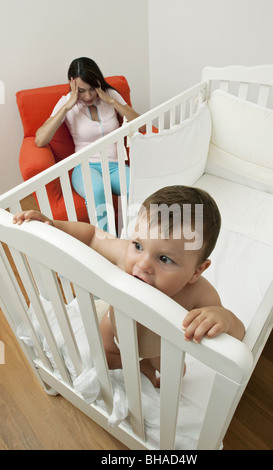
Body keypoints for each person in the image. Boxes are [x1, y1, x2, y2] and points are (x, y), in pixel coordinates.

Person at [12, 185, 245, 387]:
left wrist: (221, 318)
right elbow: (93, 236)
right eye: (138, 245)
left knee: (177, 374)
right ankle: (138, 366)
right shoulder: (126, 255)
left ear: (196, 271)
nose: (142, 264)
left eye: (164, 259)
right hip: (114, 328)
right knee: (103, 355)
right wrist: (54, 225)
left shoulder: (198, 292)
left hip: (159, 346)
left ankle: (147, 363)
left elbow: (238, 333)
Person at [35, 57, 140, 230]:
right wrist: (67, 107)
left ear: (98, 82)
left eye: (92, 89)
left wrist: (112, 102)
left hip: (115, 165)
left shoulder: (110, 95)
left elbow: (141, 123)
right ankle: (106, 245)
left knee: (138, 188)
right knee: (97, 191)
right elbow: (40, 139)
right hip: (86, 167)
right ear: (72, 85)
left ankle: (138, 238)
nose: (88, 96)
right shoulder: (67, 102)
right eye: (82, 91)